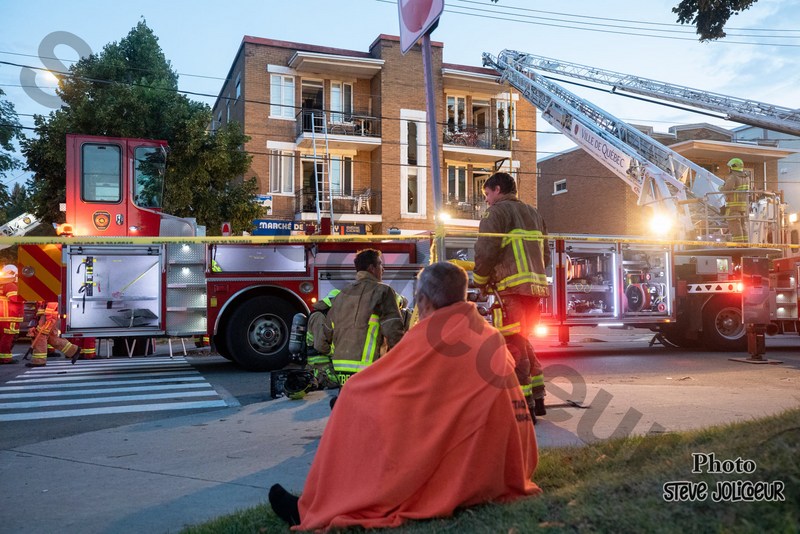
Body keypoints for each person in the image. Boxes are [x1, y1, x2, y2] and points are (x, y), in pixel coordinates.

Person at [269, 262, 541, 529]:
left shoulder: (430, 335)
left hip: (468, 472)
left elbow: (384, 385)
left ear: (424, 300)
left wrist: (351, 400)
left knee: (351, 400)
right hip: (505, 467)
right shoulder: (488, 334)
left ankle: (313, 506)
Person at [473, 172, 549, 423]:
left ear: (497, 189)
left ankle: (523, 407)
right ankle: (538, 396)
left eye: (487, 194)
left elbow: (485, 252)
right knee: (524, 341)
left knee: (513, 347)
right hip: (534, 292)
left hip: (510, 291)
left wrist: (480, 282)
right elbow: (545, 256)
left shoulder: (495, 214)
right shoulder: (534, 213)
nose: (487, 200)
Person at [324, 248, 404, 385]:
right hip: (369, 368)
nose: (383, 269)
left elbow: (327, 332)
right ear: (372, 268)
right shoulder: (383, 291)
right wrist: (403, 359)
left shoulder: (341, 295)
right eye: (380, 264)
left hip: (340, 370)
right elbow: (394, 330)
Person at [304, 288, 340, 390]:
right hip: (319, 366)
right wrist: (334, 353)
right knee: (339, 382)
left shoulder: (325, 315)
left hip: (324, 363)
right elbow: (320, 345)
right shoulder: (319, 317)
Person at [26, 301, 78, 367]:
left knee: (40, 336)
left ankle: (39, 361)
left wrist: (48, 319)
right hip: (48, 315)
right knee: (52, 338)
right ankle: (73, 350)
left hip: (48, 316)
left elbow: (52, 303)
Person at [722, 157, 750, 243]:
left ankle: (738, 245)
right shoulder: (746, 178)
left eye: (729, 167)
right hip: (743, 207)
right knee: (742, 226)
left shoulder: (733, 177)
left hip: (733, 207)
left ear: (732, 167)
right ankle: (745, 245)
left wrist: (721, 187)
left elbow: (726, 190)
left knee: (735, 227)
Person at [0, 265, 24, 365]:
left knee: (2, 338)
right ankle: (5, 358)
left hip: (3, 317)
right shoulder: (10, 285)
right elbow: (15, 299)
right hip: (9, 317)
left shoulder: (2, 284)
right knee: (7, 338)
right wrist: (26, 296)